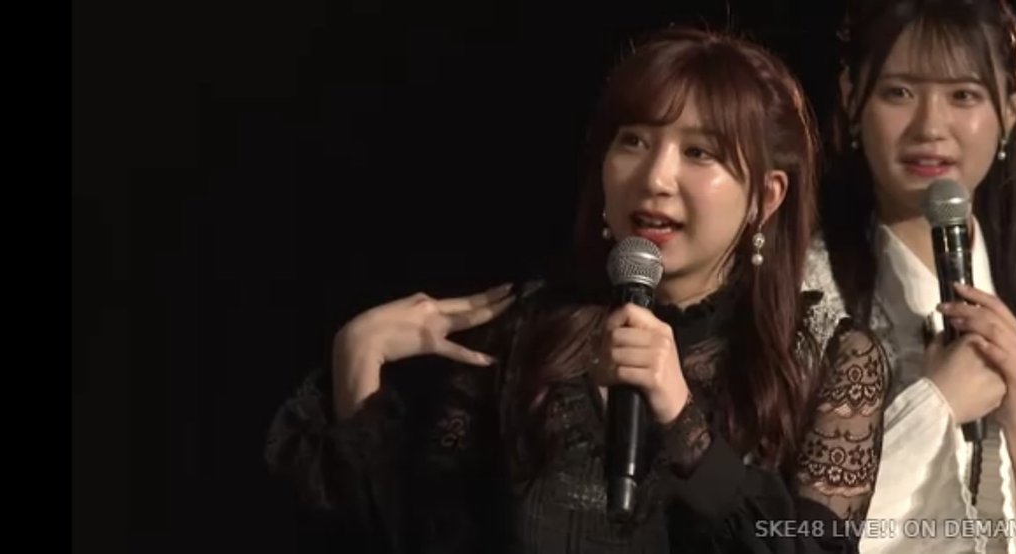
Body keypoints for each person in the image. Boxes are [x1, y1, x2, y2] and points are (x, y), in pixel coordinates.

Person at [266, 27, 890, 553]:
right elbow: (420, 535)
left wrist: (681, 417)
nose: (656, 177)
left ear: (766, 197)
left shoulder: (831, 360)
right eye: (634, 141)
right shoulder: (524, 333)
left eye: (700, 152)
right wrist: (358, 359)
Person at [804, 1, 1016, 552]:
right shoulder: (801, 297)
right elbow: (788, 533)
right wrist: (935, 407)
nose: (930, 128)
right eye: (899, 92)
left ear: (1011, 107)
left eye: (963, 95)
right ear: (851, 97)